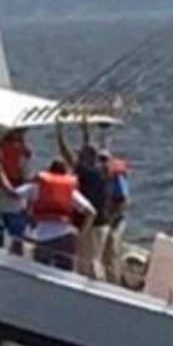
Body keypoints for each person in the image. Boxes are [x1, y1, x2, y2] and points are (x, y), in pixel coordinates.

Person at [11, 159, 96, 269]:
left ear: (48, 171)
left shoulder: (37, 186)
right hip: (67, 237)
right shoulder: (70, 190)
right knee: (65, 274)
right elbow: (92, 212)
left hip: (44, 237)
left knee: (40, 270)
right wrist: (81, 235)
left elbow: (13, 194)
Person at [56, 119, 112, 278]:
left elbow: (66, 154)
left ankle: (94, 291)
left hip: (93, 224)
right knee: (96, 259)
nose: (78, 155)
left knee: (89, 261)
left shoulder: (86, 173)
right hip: (103, 223)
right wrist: (84, 131)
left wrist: (59, 133)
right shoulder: (101, 171)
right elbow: (85, 151)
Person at [98, 149, 131, 283]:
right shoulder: (100, 178)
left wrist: (113, 218)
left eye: (105, 160)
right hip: (107, 219)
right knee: (103, 251)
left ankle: (113, 282)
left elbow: (124, 200)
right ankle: (105, 279)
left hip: (117, 220)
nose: (102, 163)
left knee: (111, 252)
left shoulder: (117, 178)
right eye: (100, 160)